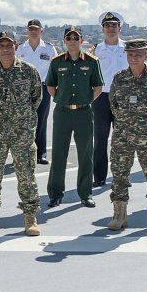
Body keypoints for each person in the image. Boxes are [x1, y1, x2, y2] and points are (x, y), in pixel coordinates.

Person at [0, 31, 43, 236]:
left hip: (21, 133)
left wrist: (21, 118)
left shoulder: (29, 71)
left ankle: (30, 217)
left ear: (15, 46)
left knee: (26, 175)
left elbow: (36, 98)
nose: (5, 49)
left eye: (9, 45)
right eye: (1, 45)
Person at [108, 39, 147, 232]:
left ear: (146, 55)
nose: (134, 58)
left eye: (138, 55)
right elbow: (113, 104)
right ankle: (119, 215)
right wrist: (126, 122)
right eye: (130, 55)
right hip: (123, 136)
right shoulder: (119, 78)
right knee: (119, 175)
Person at [45, 26, 103, 209]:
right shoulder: (56, 62)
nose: (72, 41)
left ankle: (85, 194)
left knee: (85, 154)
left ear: (81, 40)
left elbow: (98, 87)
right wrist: (60, 99)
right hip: (62, 112)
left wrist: (86, 101)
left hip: (83, 113)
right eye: (68, 38)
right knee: (59, 154)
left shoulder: (92, 62)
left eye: (75, 38)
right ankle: (55, 194)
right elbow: (50, 85)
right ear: (64, 41)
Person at [92, 11, 127, 187]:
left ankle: (121, 176)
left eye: (114, 25)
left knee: (122, 139)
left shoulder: (128, 48)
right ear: (103, 29)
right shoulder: (96, 50)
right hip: (101, 97)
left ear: (119, 28)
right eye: (107, 26)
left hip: (123, 97)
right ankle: (99, 177)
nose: (111, 28)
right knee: (100, 138)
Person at [16, 20, 56, 164]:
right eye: (31, 29)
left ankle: (41, 153)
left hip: (43, 87)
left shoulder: (49, 49)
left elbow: (55, 68)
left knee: (41, 120)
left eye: (36, 29)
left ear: (41, 31)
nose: (33, 32)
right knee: (23, 120)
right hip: (24, 88)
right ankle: (23, 152)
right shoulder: (20, 48)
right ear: (27, 31)